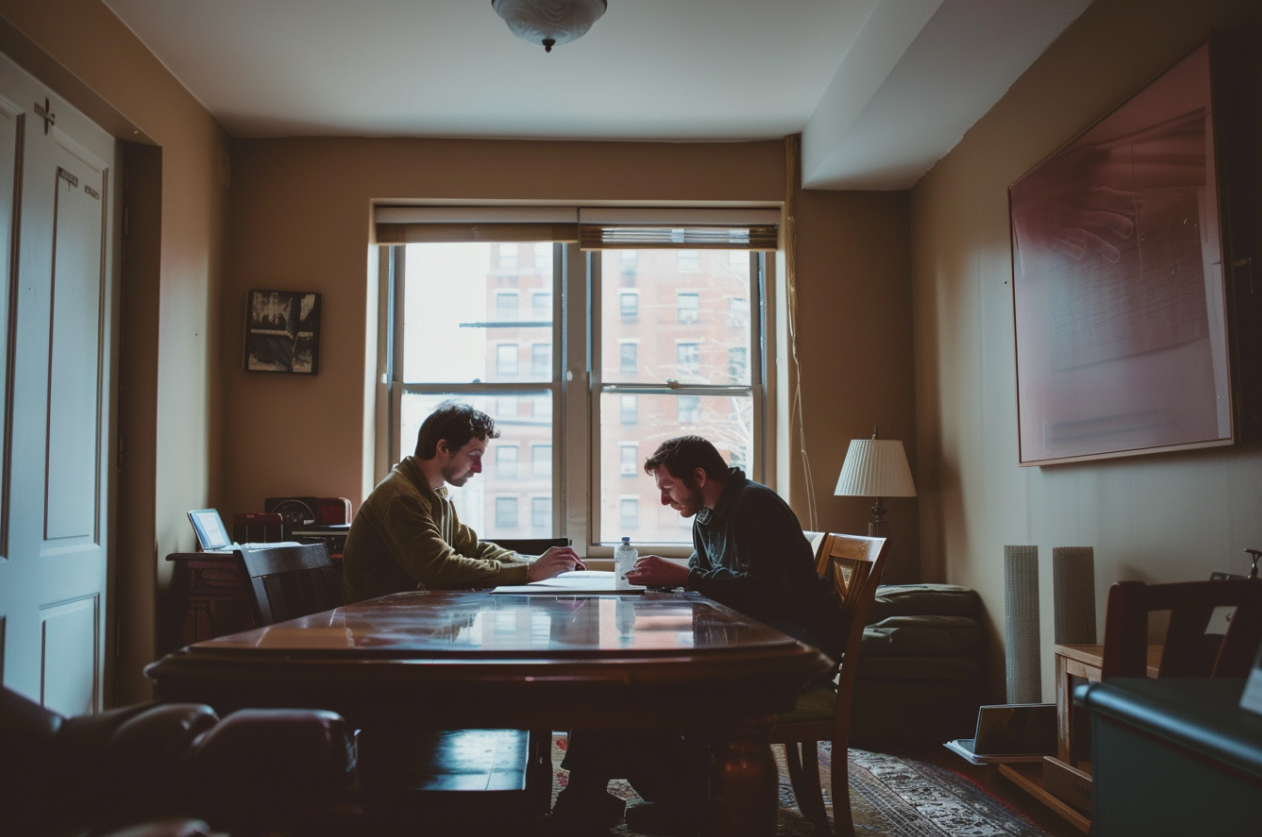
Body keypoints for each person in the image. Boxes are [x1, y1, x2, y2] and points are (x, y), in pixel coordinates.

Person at [550, 436, 840, 836]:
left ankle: (688, 809)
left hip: (791, 646)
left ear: (699, 476)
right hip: (745, 638)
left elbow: (771, 593)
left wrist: (683, 576)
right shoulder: (707, 515)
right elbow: (705, 586)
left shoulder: (755, 504)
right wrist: (666, 585)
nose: (665, 500)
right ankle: (599, 800)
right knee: (608, 683)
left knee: (641, 692)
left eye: (668, 488)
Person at [340, 401, 582, 603]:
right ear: (443, 448)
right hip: (379, 629)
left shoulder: (433, 491)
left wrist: (542, 563)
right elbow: (440, 569)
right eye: (473, 456)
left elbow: (473, 548)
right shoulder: (401, 497)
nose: (478, 468)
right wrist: (529, 572)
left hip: (409, 619)